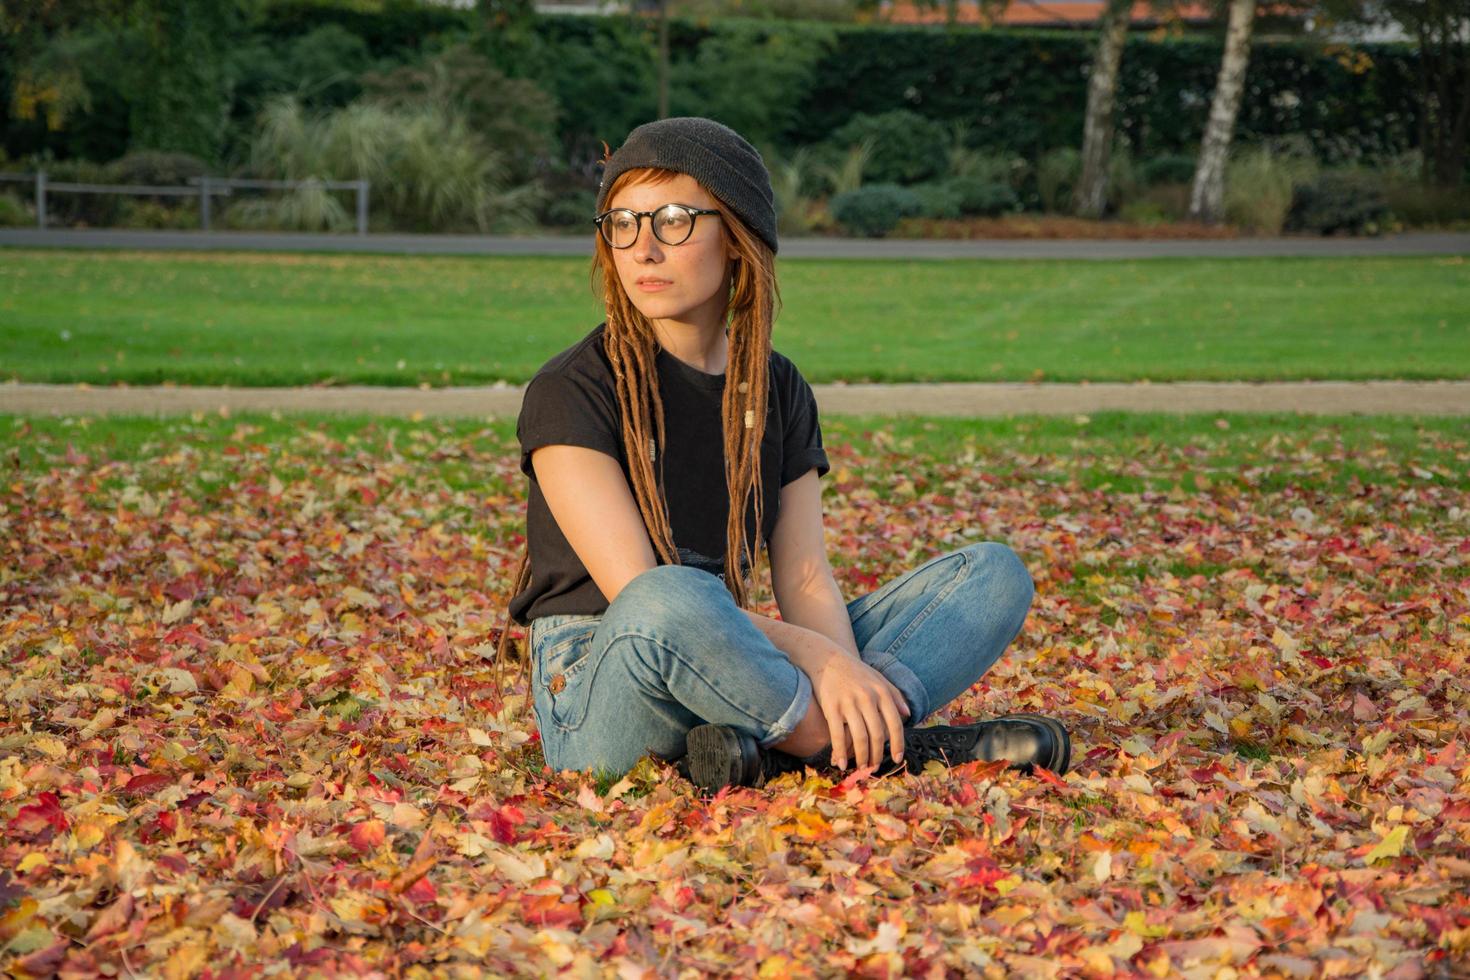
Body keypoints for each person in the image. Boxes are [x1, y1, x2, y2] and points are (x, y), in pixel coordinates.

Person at [493, 116, 1071, 793]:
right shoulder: (571, 388)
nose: (642, 248)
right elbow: (637, 596)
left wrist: (843, 667)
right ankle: (888, 748)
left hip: (734, 660)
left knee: (994, 576)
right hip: (605, 683)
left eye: (673, 220)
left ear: (738, 237)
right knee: (670, 596)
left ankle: (765, 747)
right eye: (622, 223)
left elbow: (803, 581)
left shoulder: (776, 386)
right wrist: (822, 663)